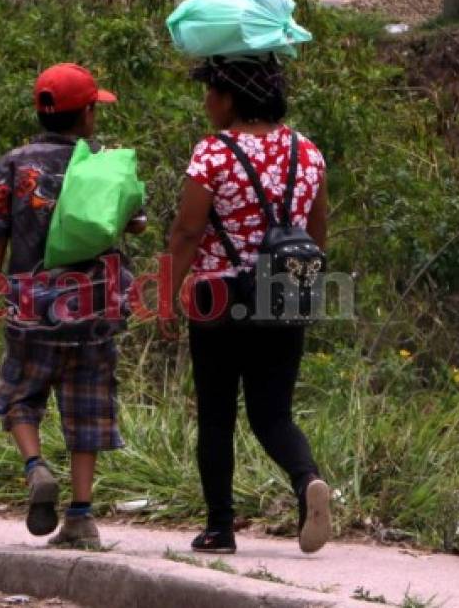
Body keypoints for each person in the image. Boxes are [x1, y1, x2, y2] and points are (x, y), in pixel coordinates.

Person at [160, 54, 331, 554]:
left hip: (220, 293)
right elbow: (317, 232)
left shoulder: (213, 153)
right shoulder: (308, 152)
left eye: (211, 91)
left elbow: (188, 230)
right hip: (288, 286)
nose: (207, 102)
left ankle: (219, 528)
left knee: (216, 414)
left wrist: (167, 293)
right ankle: (307, 481)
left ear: (231, 98)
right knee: (273, 413)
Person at [0, 63, 146, 549]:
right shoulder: (103, 165)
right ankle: (81, 516)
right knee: (87, 407)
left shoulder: (10, 163)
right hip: (94, 305)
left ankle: (35, 466)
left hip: (32, 303)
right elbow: (136, 224)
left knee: (19, 395)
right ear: (88, 113)